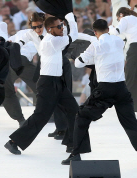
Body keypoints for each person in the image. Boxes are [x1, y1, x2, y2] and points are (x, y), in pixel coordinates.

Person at [63, 19, 137, 166]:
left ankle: (75, 154)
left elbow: (78, 63)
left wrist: (77, 57)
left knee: (81, 116)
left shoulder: (96, 44)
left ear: (95, 32)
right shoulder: (119, 41)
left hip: (104, 90)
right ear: (107, 29)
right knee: (130, 121)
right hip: (121, 88)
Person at [5, 14, 80, 156]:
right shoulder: (52, 39)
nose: (38, 29)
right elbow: (73, 35)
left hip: (57, 75)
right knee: (41, 116)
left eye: (40, 26)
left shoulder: (54, 34)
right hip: (48, 80)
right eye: (35, 27)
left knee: (73, 110)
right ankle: (13, 142)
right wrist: (70, 18)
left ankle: (71, 143)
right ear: (51, 28)